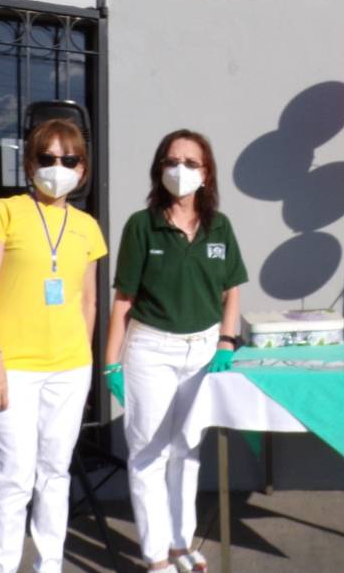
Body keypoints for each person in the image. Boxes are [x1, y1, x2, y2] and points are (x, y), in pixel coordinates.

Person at [103, 130, 247, 573]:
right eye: (171, 161)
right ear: (159, 169)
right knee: (150, 452)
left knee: (187, 449)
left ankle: (182, 543)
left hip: (204, 350)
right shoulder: (142, 225)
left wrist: (226, 342)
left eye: (190, 162)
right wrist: (111, 362)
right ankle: (156, 555)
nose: (179, 170)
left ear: (207, 174)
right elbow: (124, 300)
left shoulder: (220, 226)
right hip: (152, 349)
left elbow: (231, 291)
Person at [0, 118, 108, 573]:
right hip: (12, 368)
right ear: (30, 164)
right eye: (47, 157)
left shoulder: (87, 226)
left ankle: (49, 564)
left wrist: (83, 361)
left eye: (69, 159)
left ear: (82, 169)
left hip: (69, 368)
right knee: (13, 480)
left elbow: (88, 301)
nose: (58, 167)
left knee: (54, 474)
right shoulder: (4, 213)